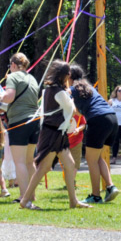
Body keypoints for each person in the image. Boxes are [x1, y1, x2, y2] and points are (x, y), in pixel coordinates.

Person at [20, 60, 90, 210]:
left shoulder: (50, 90)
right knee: (43, 168)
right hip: (53, 134)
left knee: (70, 165)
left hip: (58, 133)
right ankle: (25, 200)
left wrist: (67, 93)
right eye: (68, 73)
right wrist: (69, 95)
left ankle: (73, 201)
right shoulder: (59, 92)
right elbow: (72, 109)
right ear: (64, 75)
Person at [69, 64, 119, 204]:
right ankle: (110, 186)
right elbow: (82, 111)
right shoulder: (88, 88)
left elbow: (73, 109)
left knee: (91, 160)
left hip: (98, 121)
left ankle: (96, 196)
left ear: (69, 77)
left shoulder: (72, 89)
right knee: (96, 158)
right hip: (112, 119)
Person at [0, 52, 40, 203]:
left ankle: (24, 196)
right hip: (34, 121)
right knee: (30, 162)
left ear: (14, 65)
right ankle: (32, 195)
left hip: (19, 122)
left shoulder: (13, 77)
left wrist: (0, 97)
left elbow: (9, 97)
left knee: (20, 162)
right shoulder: (32, 78)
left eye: (10, 66)